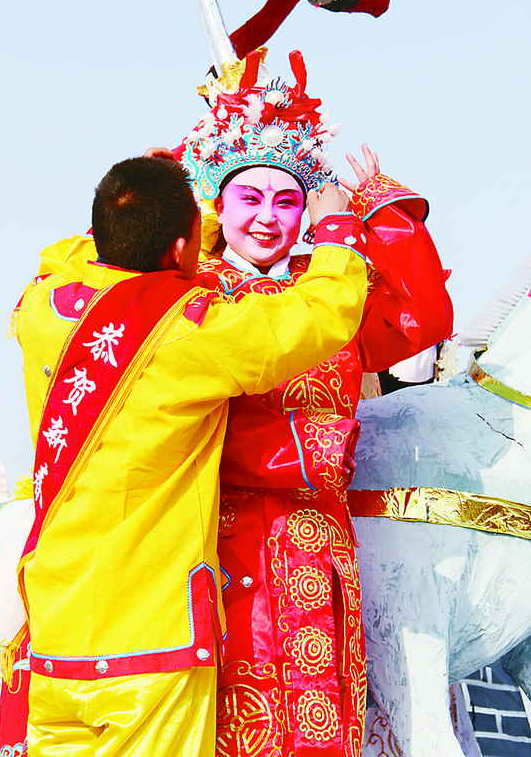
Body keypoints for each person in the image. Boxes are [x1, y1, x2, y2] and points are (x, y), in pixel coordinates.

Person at [11, 154, 368, 756]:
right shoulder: (191, 333)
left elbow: (70, 253)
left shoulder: (42, 307)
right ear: (183, 247)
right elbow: (322, 313)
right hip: (152, 644)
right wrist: (335, 229)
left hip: (56, 634)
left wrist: (155, 208)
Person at [165, 48, 454, 757]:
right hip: (221, 539)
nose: (268, 219)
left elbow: (420, 319)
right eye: (250, 198)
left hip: (320, 550)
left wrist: (376, 213)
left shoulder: (332, 285)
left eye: (287, 200)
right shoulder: (190, 294)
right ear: (218, 203)